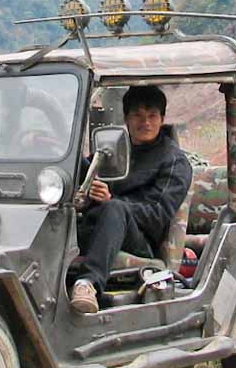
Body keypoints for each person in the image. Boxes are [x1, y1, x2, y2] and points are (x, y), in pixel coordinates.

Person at [69, 85, 192, 314]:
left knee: (115, 208)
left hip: (141, 240)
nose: (145, 122)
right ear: (126, 118)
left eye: (152, 116)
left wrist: (110, 199)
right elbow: (87, 175)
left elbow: (156, 216)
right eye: (137, 115)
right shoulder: (113, 150)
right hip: (98, 224)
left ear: (162, 119)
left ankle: (88, 284)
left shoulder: (174, 161)